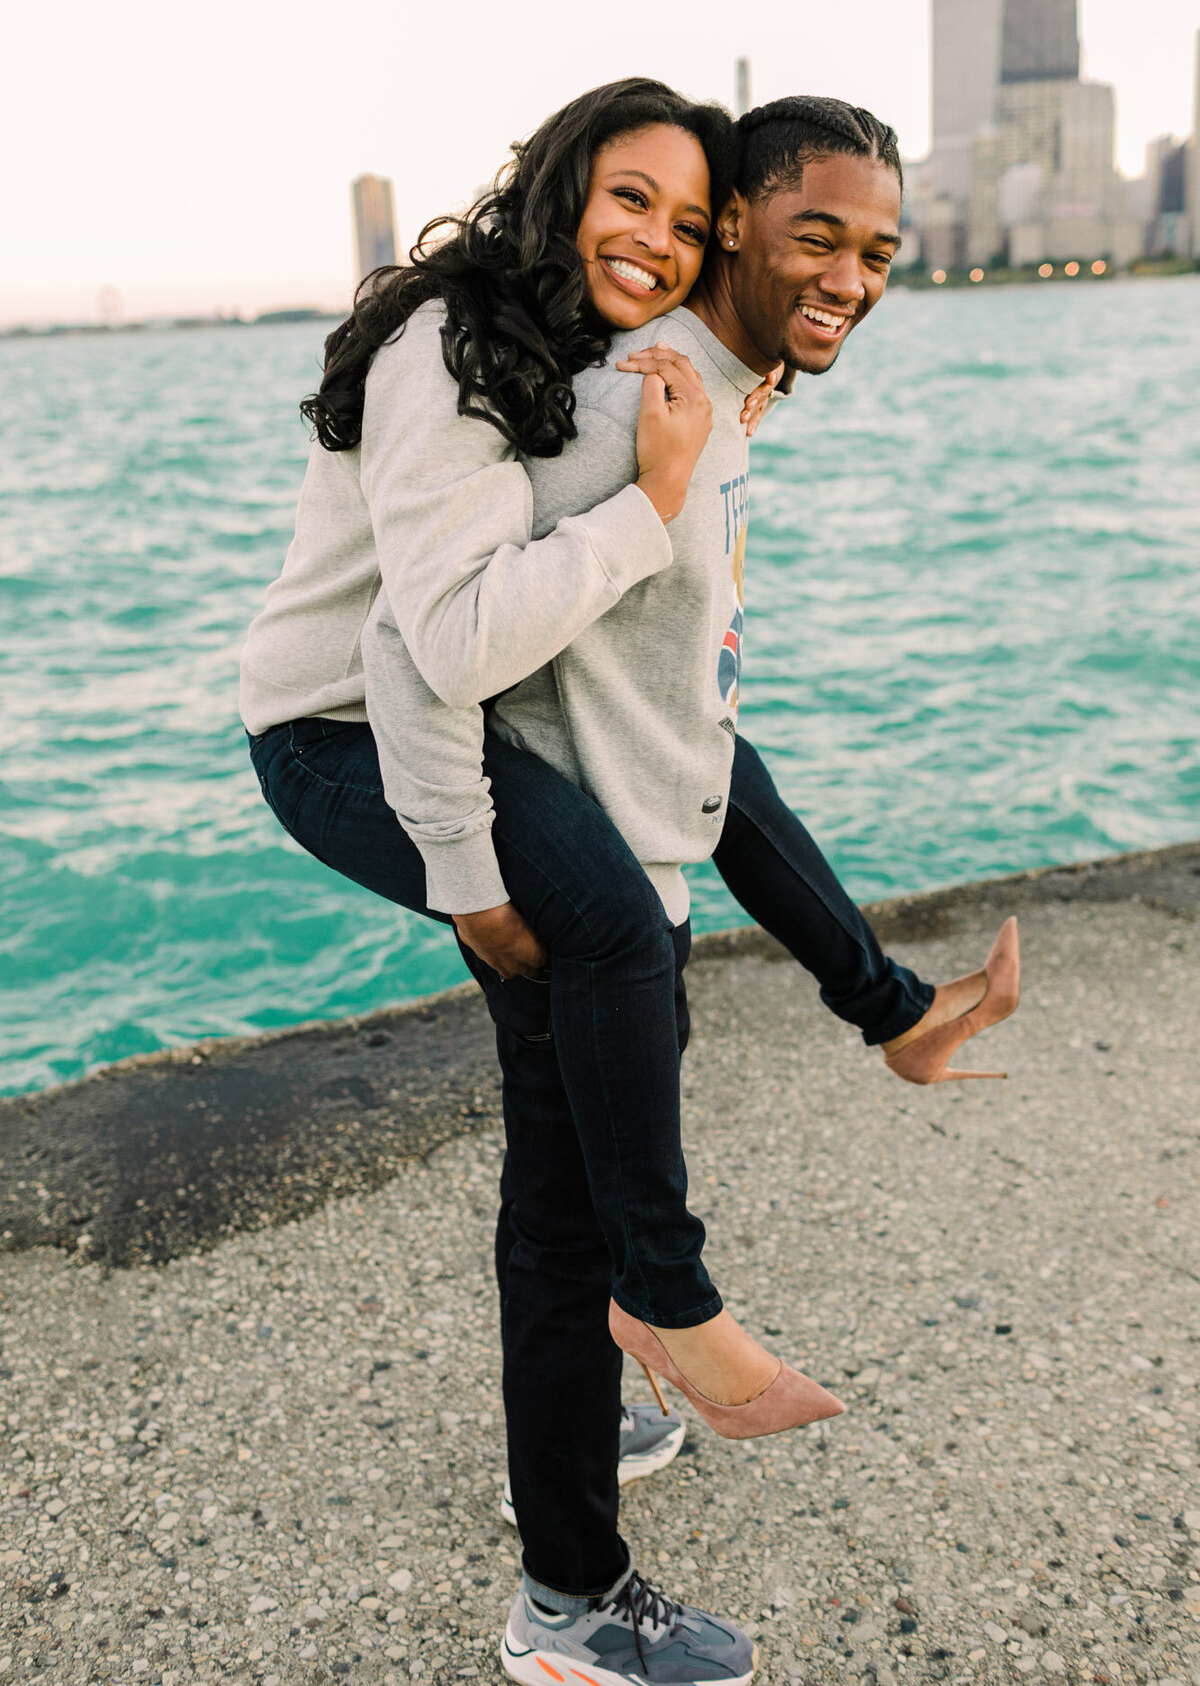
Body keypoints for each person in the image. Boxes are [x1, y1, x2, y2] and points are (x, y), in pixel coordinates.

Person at [240, 83, 1019, 1684]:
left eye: (879, 251)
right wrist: (472, 878)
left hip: (459, 729)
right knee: (598, 997)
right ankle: (584, 1562)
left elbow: (692, 731)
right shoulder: (578, 394)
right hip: (352, 731)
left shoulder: (681, 394)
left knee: (591, 1084)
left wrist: (874, 991)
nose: (851, 278)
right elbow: (418, 648)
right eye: (813, 236)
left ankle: (602, 1383)